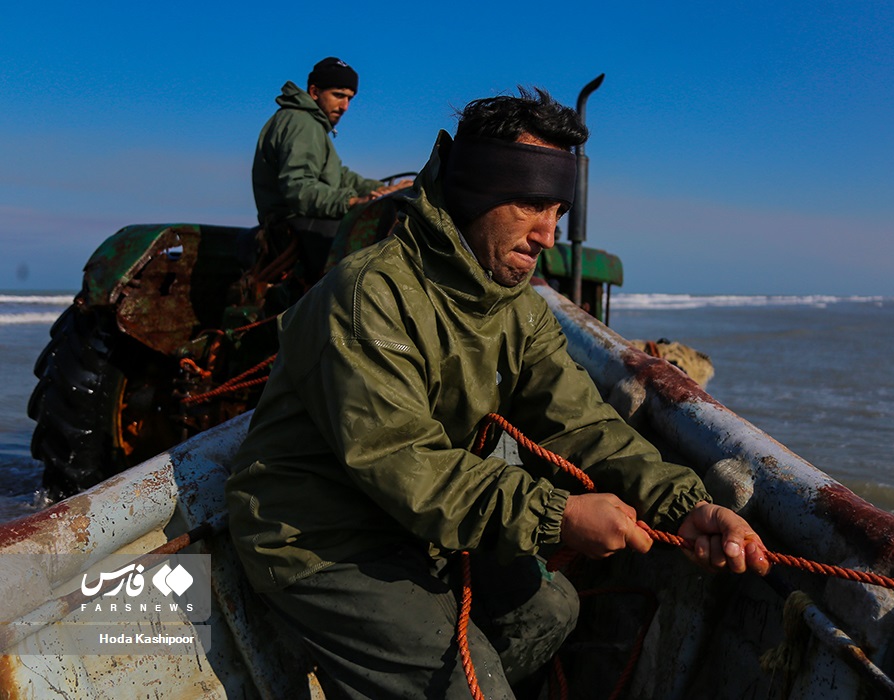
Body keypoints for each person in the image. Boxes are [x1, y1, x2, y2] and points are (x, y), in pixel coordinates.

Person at [226, 87, 770, 699]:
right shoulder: (369, 297)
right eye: (531, 204)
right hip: (318, 536)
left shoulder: (515, 306)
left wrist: (682, 504)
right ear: (474, 190)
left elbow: (581, 422)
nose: (546, 234)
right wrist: (555, 515)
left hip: (416, 524)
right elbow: (402, 463)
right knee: (468, 687)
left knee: (551, 611)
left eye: (558, 211)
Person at [251, 57, 412, 277]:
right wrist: (350, 202)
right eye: (338, 95)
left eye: (350, 98)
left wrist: (384, 190)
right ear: (315, 92)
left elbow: (341, 176)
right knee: (367, 257)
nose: (345, 106)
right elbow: (299, 190)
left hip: (304, 220)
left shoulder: (310, 124)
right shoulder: (301, 123)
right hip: (293, 226)